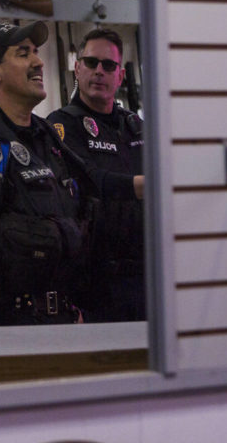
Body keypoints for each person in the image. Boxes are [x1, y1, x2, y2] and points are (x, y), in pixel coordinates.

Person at [0, 21, 94, 327]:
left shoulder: (48, 137)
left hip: (63, 322)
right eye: (23, 54)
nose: (39, 62)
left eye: (36, 52)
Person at [48, 28, 146, 322]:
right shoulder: (60, 126)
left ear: (121, 76)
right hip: (95, 282)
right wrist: (148, 185)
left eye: (108, 65)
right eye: (91, 63)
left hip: (145, 274)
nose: (99, 71)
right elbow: (92, 180)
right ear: (77, 68)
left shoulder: (135, 125)